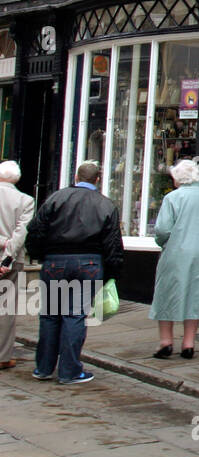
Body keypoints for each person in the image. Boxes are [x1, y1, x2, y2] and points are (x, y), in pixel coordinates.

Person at [25, 162, 124, 385]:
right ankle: (69, 371)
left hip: (55, 261)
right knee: (75, 315)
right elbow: (113, 243)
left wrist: (40, 255)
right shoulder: (105, 204)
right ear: (97, 180)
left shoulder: (56, 198)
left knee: (50, 315)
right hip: (88, 263)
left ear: (76, 176)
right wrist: (112, 272)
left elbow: (36, 230)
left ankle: (43, 368)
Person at [149, 159, 199, 359]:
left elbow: (162, 229)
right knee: (195, 296)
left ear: (178, 179)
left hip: (177, 253)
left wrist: (163, 242)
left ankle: (166, 342)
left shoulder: (173, 198)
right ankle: (188, 344)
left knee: (167, 294)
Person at [0, 161, 36, 370]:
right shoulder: (26, 200)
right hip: (12, 262)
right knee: (5, 309)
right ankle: (3, 356)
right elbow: (21, 233)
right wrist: (7, 257)